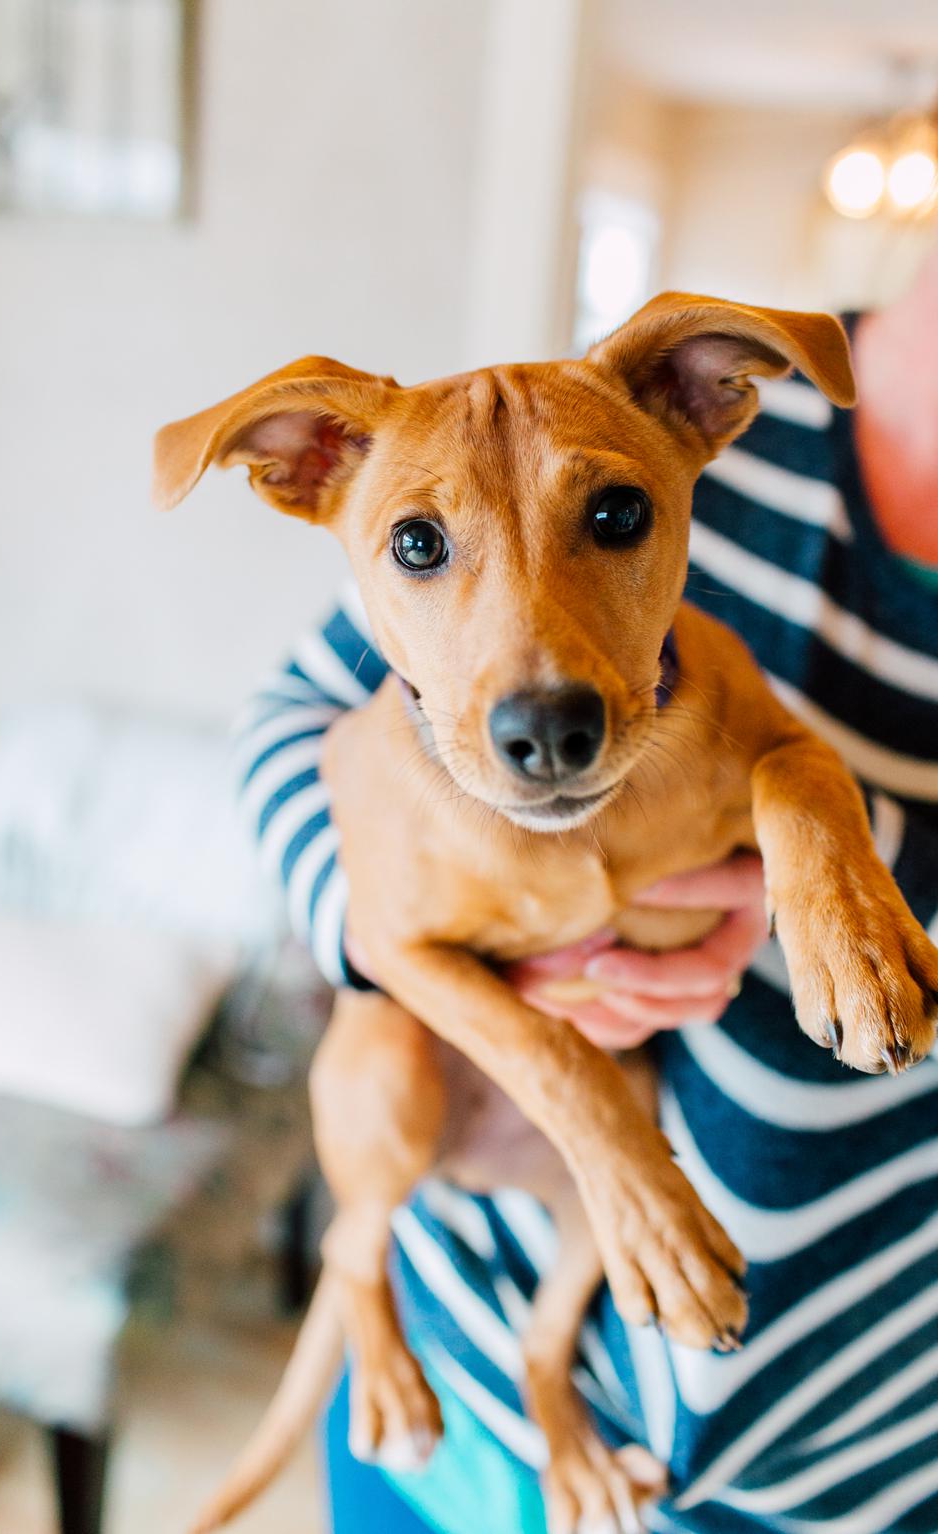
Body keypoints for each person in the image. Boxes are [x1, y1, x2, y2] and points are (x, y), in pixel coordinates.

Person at [234, 243, 938, 1533]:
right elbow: (291, 726)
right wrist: (452, 937)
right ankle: (370, 1292)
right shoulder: (536, 428)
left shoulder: (695, 602)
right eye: (421, 547)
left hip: (858, 1456)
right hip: (462, 1356)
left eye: (612, 521)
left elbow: (785, 762)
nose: (540, 701)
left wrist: (848, 860)